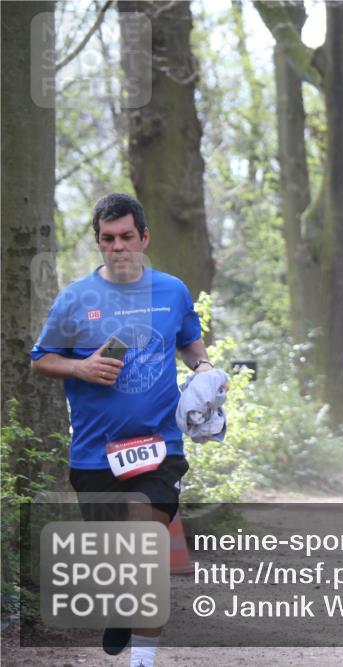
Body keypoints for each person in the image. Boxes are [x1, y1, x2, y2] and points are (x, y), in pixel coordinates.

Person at [30, 193, 213, 667]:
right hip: (95, 455)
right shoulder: (75, 299)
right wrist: (82, 368)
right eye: (108, 239)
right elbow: (42, 360)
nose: (119, 247)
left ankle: (143, 661)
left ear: (144, 237)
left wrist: (205, 371)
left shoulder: (172, 291)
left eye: (127, 237)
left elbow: (191, 346)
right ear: (98, 243)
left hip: (159, 447)